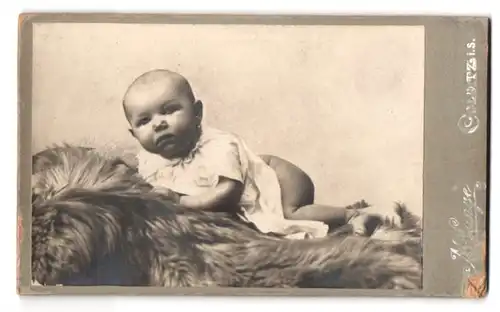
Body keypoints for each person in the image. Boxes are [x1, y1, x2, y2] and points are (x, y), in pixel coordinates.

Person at [122, 69, 394, 239]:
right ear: (134, 134)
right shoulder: (149, 163)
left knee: (293, 214)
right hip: (255, 191)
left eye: (169, 110)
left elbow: (229, 192)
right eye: (144, 121)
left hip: (276, 177)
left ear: (197, 114)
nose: (158, 123)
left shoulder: (217, 146)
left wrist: (180, 201)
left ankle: (353, 215)